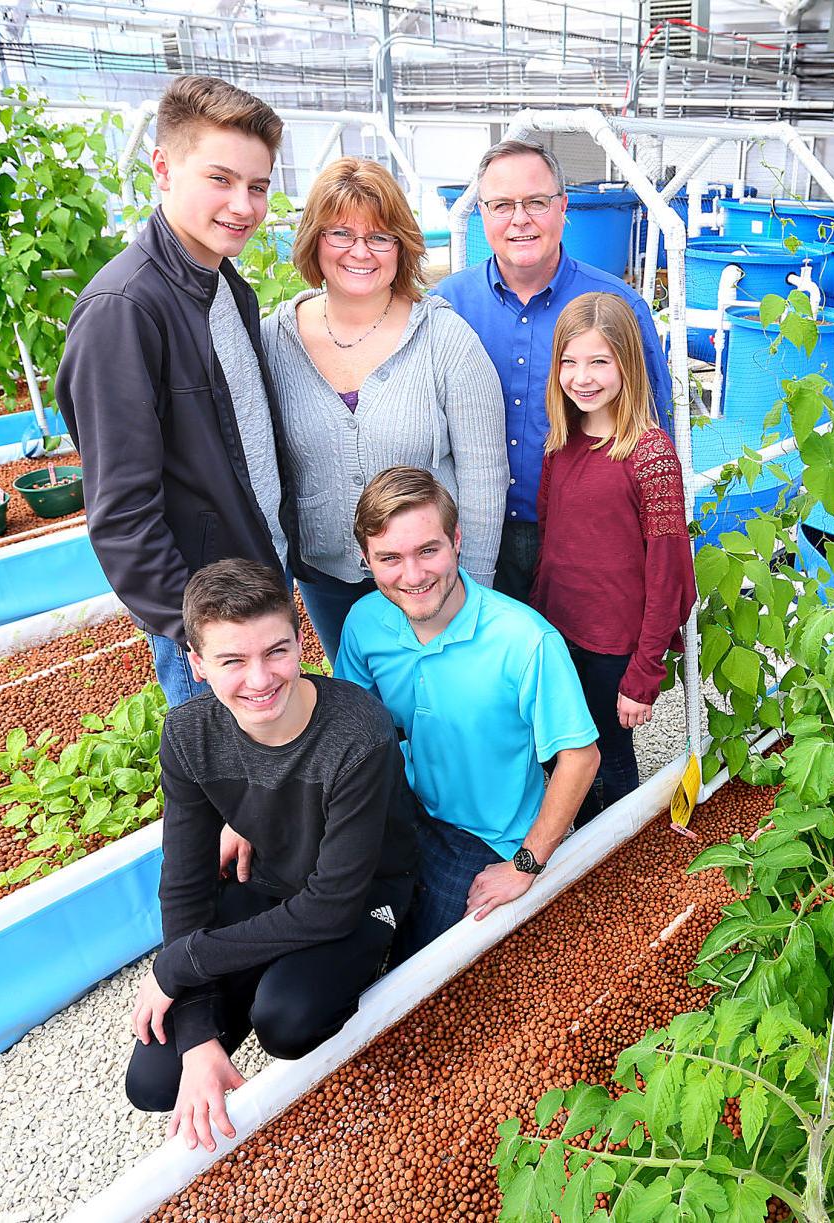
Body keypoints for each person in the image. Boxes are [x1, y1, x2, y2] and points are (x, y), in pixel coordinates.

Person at [124, 559, 417, 1152]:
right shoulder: (188, 734)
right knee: (154, 1081)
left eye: (276, 652)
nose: (259, 679)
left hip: (361, 897)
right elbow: (185, 883)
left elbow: (331, 906)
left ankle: (353, 971)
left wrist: (180, 966)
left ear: (300, 641)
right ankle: (247, 990)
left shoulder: (357, 731)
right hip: (272, 881)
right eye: (232, 660)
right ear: (197, 664)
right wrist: (198, 1035)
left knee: (286, 1022)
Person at [55, 76, 289, 707]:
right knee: (223, 759)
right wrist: (196, 634)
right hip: (210, 621)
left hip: (254, 584)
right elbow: (121, 511)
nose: (243, 205)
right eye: (221, 179)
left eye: (258, 186)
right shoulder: (125, 308)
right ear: (163, 168)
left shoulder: (224, 285)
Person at [335, 466, 598, 959]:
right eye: (390, 558)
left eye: (427, 550)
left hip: (487, 833)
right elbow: (345, 725)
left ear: (456, 540)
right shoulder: (365, 622)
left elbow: (581, 758)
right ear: (366, 560)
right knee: (351, 946)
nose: (413, 576)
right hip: (405, 803)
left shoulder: (526, 639)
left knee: (420, 966)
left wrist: (526, 864)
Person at [264, 157, 507, 666]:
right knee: (359, 701)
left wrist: (473, 595)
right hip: (327, 578)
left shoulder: (445, 339)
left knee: (437, 698)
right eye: (340, 233)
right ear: (313, 241)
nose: (360, 252)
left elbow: (484, 477)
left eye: (380, 237)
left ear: (402, 246)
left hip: (431, 580)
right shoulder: (274, 340)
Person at [433, 140, 676, 605]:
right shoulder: (447, 306)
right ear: (482, 213)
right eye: (502, 205)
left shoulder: (617, 307)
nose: (519, 219)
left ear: (563, 208)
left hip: (583, 538)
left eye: (536, 202)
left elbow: (651, 426)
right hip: (472, 533)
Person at [531, 293, 695, 822]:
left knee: (610, 754)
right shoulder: (561, 443)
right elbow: (552, 544)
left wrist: (644, 672)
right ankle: (575, 838)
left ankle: (616, 847)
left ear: (627, 364)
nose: (582, 378)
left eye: (599, 362)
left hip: (613, 646)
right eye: (569, 361)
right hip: (559, 635)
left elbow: (670, 576)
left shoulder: (651, 455)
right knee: (565, 751)